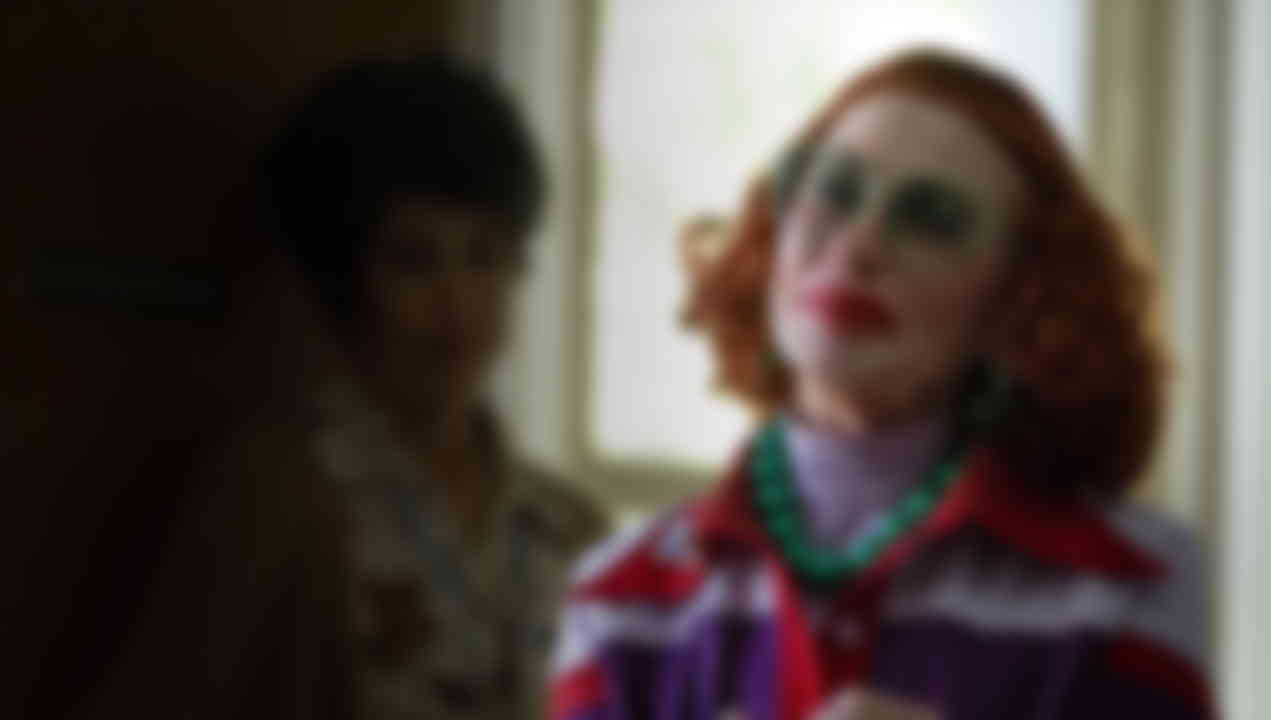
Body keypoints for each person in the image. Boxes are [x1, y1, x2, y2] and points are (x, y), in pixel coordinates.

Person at [549, 50, 1212, 720]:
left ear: (1017, 300)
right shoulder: (621, 591)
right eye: (833, 191)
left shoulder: (1125, 580)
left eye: (933, 218)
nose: (860, 243)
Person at [257, 55, 608, 720]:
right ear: (343, 283)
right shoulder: (283, 497)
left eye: (485, 257)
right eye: (413, 261)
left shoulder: (569, 528)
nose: (458, 302)